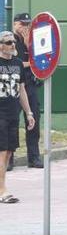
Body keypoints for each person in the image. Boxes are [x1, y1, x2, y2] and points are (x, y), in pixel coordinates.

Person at [0, 30, 35, 203]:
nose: (13, 44)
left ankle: (2, 186)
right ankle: (2, 190)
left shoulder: (18, 64)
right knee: (1, 151)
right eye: (8, 42)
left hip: (14, 112)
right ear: (0, 45)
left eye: (13, 42)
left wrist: (29, 113)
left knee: (8, 152)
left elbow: (22, 90)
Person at [11, 13, 42, 169]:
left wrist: (30, 44)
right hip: (13, 84)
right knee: (12, 121)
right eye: (23, 24)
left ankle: (34, 157)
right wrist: (31, 63)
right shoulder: (10, 41)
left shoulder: (32, 41)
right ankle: (9, 158)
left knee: (33, 119)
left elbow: (41, 61)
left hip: (30, 84)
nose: (26, 28)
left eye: (28, 24)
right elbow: (16, 63)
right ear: (15, 24)